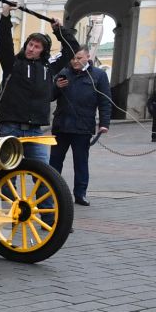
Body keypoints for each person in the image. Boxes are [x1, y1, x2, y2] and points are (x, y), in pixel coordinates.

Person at [0, 4, 78, 162]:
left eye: (37, 46)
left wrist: (59, 30)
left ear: (43, 51)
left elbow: (72, 50)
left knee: (44, 171)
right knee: (5, 173)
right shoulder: (13, 64)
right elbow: (4, 43)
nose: (31, 49)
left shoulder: (49, 67)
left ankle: (43, 188)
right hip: (10, 128)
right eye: (30, 44)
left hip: (35, 130)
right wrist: (5, 15)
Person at [49, 46, 110, 205]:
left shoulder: (99, 75)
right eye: (73, 58)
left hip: (83, 126)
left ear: (88, 57)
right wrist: (56, 87)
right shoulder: (63, 72)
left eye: (78, 58)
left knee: (81, 162)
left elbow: (105, 102)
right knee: (55, 161)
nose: (75, 61)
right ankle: (52, 190)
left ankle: (80, 193)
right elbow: (49, 96)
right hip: (61, 126)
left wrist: (104, 123)